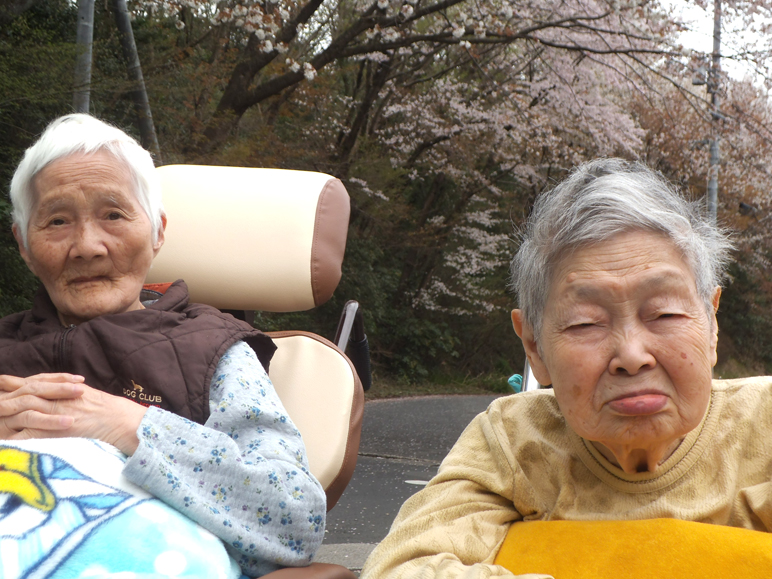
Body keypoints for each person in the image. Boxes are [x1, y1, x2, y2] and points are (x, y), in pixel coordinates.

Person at [361, 158, 772, 579]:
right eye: (585, 323)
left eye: (664, 314)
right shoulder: (512, 441)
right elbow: (401, 568)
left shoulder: (765, 422)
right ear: (534, 346)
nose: (631, 356)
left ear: (712, 324)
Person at [0, 114, 327, 577]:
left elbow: (296, 521)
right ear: (24, 247)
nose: (88, 245)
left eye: (113, 214)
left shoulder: (213, 350)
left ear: (157, 231)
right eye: (56, 221)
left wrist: (130, 427)